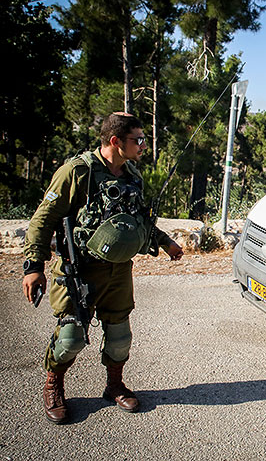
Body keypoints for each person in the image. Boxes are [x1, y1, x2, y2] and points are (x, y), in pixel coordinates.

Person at [22, 112, 183, 424]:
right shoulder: (77, 171)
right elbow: (44, 218)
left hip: (119, 270)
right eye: (137, 139)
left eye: (143, 139)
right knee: (70, 338)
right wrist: (34, 265)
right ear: (115, 141)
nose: (143, 145)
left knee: (120, 335)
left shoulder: (131, 173)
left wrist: (165, 242)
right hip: (79, 268)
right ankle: (53, 384)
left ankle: (114, 385)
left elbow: (140, 220)